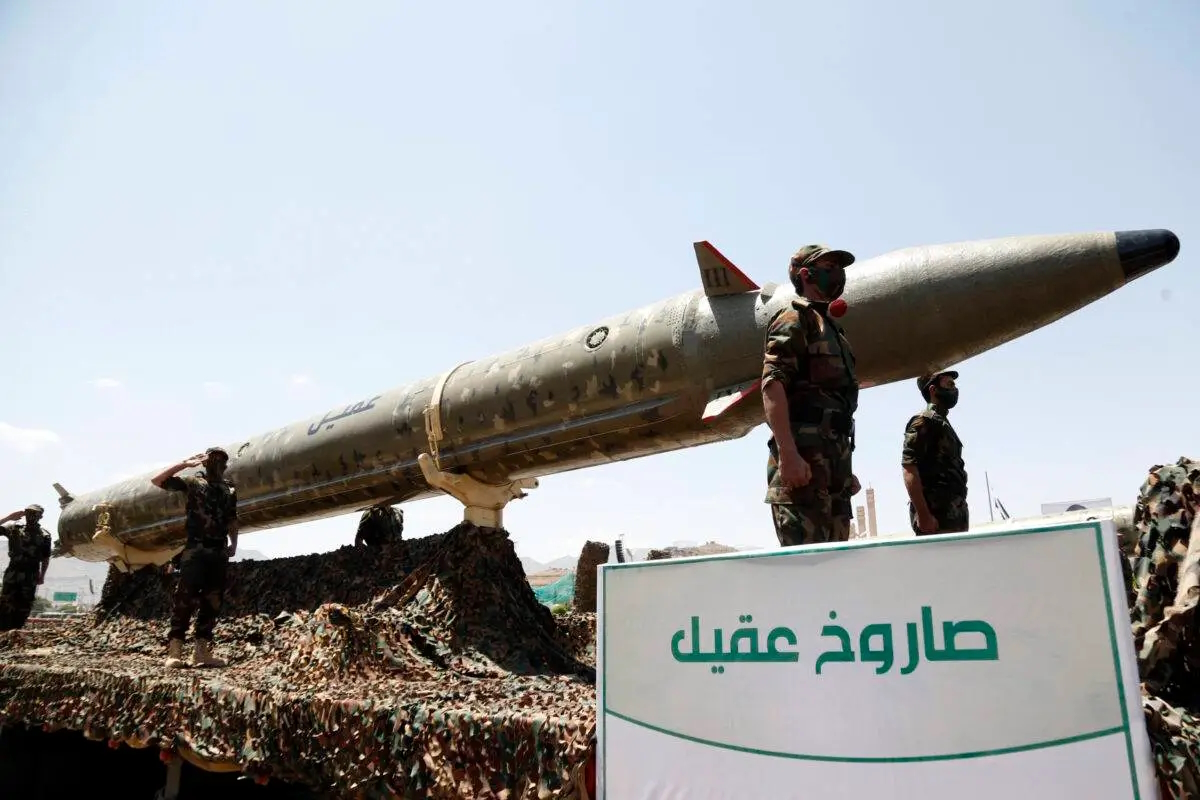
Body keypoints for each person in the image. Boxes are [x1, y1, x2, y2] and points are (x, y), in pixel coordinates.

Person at [761, 243, 862, 546]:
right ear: (806, 275)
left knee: (837, 567)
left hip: (833, 467)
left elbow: (835, 404)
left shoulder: (833, 330)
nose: (839, 274)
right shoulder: (794, 318)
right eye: (830, 267)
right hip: (802, 465)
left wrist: (843, 470)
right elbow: (773, 383)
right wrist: (788, 454)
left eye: (840, 268)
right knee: (807, 567)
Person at [151, 447, 238, 668]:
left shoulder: (229, 489)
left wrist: (234, 543)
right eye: (213, 459)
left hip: (218, 551)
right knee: (185, 599)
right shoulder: (193, 482)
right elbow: (158, 480)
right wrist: (185, 463)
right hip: (195, 550)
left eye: (222, 461)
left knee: (213, 601)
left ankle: (201, 652)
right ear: (205, 463)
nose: (218, 464)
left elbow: (232, 519)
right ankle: (175, 651)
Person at [901, 370, 968, 535]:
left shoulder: (942, 422)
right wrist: (924, 515)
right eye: (949, 384)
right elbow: (909, 468)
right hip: (935, 518)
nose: (954, 389)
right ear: (933, 390)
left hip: (952, 514)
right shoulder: (924, 420)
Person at [0, 504, 52, 631]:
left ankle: (16, 631)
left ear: (40, 516)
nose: (31, 516)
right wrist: (9, 517)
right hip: (13, 570)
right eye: (28, 512)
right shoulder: (14, 528)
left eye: (34, 513)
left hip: (31, 573)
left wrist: (42, 575)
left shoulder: (44, 535)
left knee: (24, 604)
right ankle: (3, 631)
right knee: (5, 602)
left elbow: (45, 557)